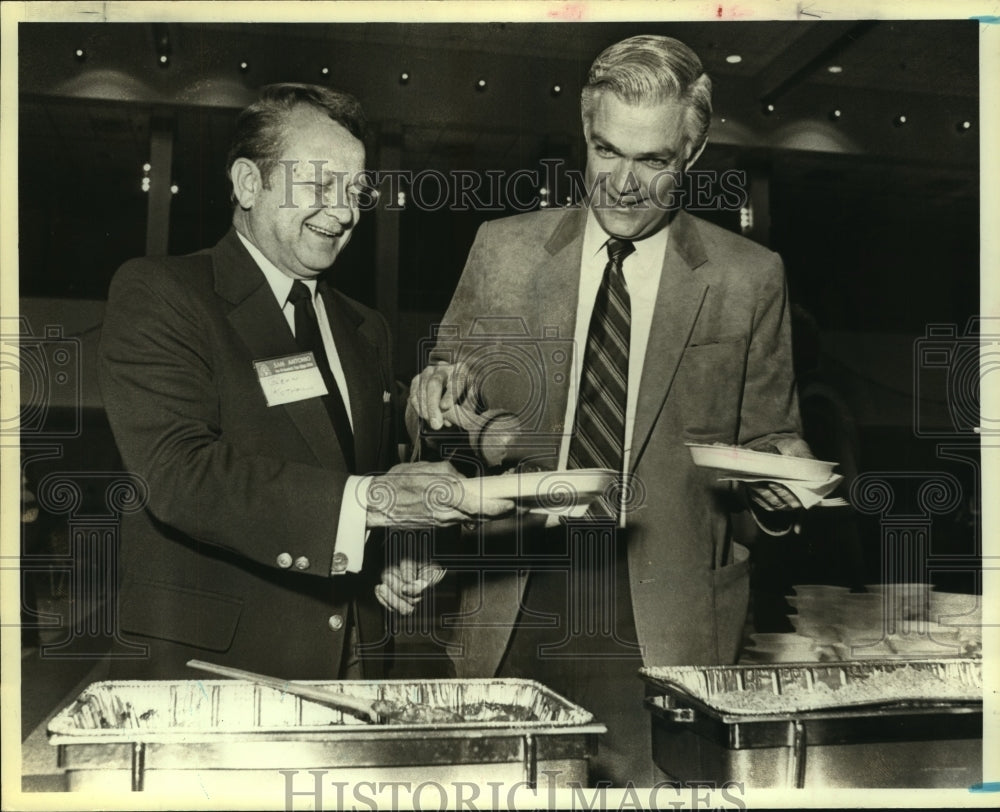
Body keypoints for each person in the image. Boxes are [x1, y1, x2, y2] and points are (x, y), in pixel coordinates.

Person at [401, 36, 813, 784]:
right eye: (605, 150)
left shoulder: (749, 278)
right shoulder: (504, 250)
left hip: (664, 619)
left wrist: (781, 483)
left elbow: (772, 441)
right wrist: (434, 403)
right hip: (511, 595)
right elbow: (443, 411)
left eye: (652, 161)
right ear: (584, 137)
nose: (622, 183)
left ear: (690, 155)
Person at [98, 83, 511, 682]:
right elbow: (179, 474)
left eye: (355, 191)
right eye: (319, 185)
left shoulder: (365, 328)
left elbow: (355, 478)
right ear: (248, 183)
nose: (344, 212)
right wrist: (373, 505)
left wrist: (386, 556)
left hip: (357, 662)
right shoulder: (163, 294)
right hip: (215, 670)